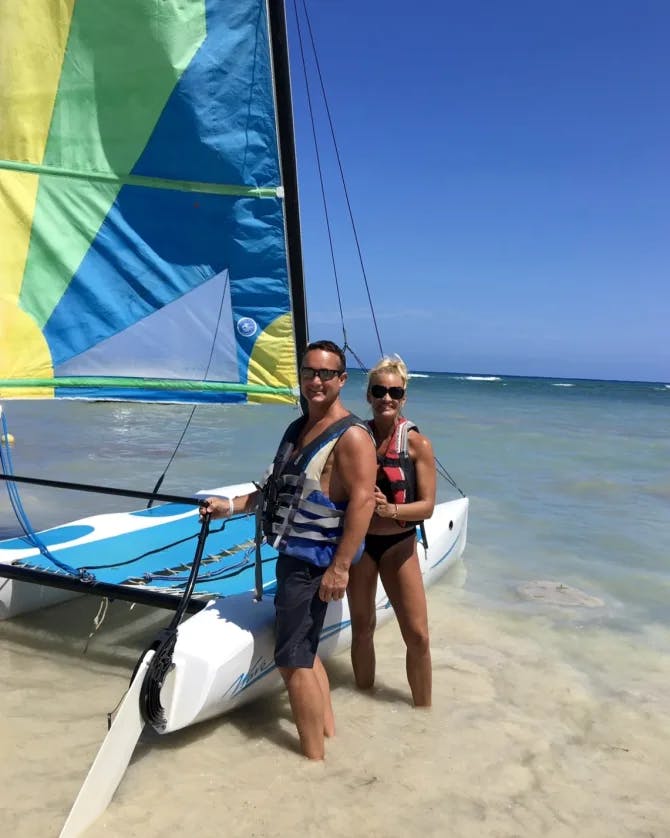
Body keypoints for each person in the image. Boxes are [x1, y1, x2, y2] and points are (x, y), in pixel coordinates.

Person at [199, 340, 376, 759]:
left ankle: (313, 762)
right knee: (305, 651)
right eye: (309, 372)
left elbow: (364, 502)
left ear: (342, 380)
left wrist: (341, 568)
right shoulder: (297, 429)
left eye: (326, 374)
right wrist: (229, 507)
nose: (316, 381)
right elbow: (277, 489)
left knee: (291, 659)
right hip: (294, 557)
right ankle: (327, 734)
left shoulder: (352, 437)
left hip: (313, 565)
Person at [347, 355, 436, 706]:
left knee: (417, 636)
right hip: (361, 546)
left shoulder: (417, 444)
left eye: (394, 392)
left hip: (399, 545)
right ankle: (363, 701)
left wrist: (390, 509)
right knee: (362, 628)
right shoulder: (355, 438)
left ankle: (423, 714)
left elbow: (427, 506)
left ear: (404, 398)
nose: (387, 398)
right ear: (368, 395)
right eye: (379, 391)